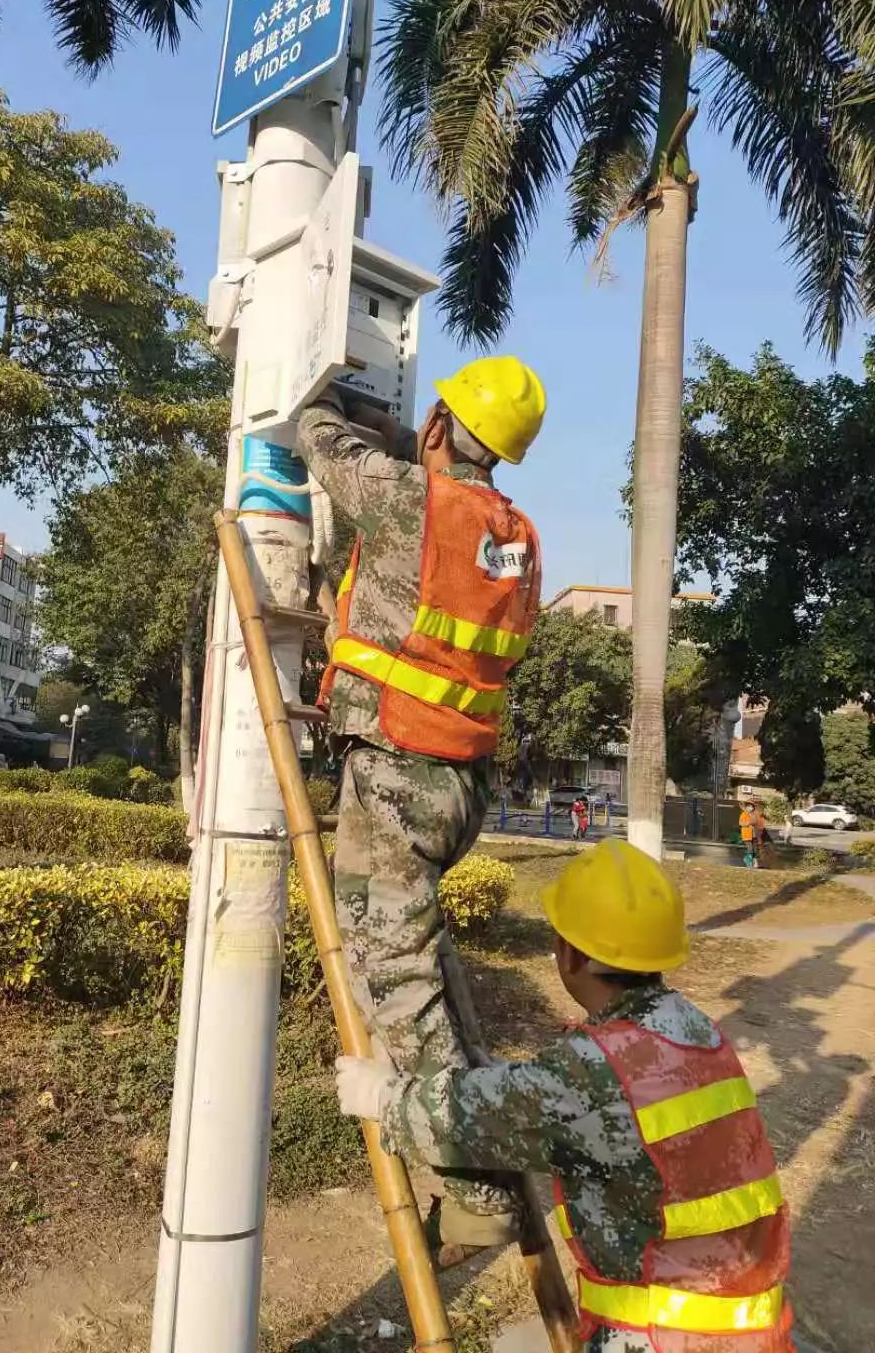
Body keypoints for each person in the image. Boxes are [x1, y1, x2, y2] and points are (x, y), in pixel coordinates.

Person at [335, 840, 794, 1351]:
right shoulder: (694, 1030)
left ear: (570, 952)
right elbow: (598, 1109)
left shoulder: (598, 1070)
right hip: (751, 1331)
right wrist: (510, 1079)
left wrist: (383, 1097)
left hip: (664, 1336)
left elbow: (476, 1117)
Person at [297, 355, 545, 1263]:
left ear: (438, 426)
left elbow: (316, 438)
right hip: (461, 779)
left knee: (394, 975)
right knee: (426, 964)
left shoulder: (415, 501)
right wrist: (418, 438)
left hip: (398, 762)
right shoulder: (512, 532)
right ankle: (483, 1130)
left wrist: (328, 391)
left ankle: (477, 1191)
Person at [740, 801, 758, 867]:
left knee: (755, 849)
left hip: (754, 835)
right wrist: (748, 823)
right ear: (746, 807)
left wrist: (754, 822)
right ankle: (749, 861)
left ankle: (753, 861)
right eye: (749, 806)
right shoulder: (743, 814)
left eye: (752, 807)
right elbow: (741, 823)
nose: (751, 808)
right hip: (747, 835)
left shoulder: (753, 815)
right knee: (750, 849)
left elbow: (756, 822)